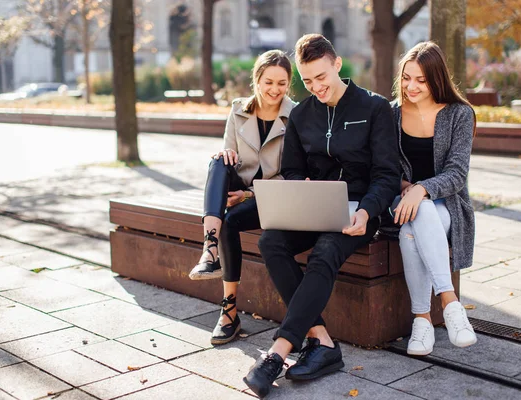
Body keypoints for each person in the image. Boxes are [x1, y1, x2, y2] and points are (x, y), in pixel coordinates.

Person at [243, 34, 400, 398]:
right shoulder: (300, 114)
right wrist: (303, 190)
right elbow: (292, 170)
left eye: (321, 78)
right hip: (313, 207)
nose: (316, 88)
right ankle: (321, 341)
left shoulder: (374, 108)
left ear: (337, 65)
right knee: (271, 242)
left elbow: (387, 175)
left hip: (360, 211)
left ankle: (278, 352)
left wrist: (366, 210)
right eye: (308, 81)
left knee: (326, 251)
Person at [189, 50, 296, 345]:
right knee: (218, 160)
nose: (275, 90)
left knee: (232, 220)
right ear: (256, 80)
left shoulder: (296, 115)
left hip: (271, 196)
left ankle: (229, 312)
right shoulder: (238, 110)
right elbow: (229, 156)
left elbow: (293, 173)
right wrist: (227, 163)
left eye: (282, 83)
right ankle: (209, 249)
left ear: (289, 84)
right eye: (268, 82)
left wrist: (249, 194)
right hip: (237, 186)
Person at [390, 41, 478, 356]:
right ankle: (450, 304)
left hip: (447, 203)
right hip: (399, 202)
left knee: (414, 226)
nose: (411, 86)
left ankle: (422, 320)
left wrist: (421, 189)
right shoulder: (392, 114)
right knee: (417, 215)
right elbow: (383, 167)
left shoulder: (459, 114)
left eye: (421, 80)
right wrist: (406, 187)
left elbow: (457, 173)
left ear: (436, 79)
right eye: (406, 78)